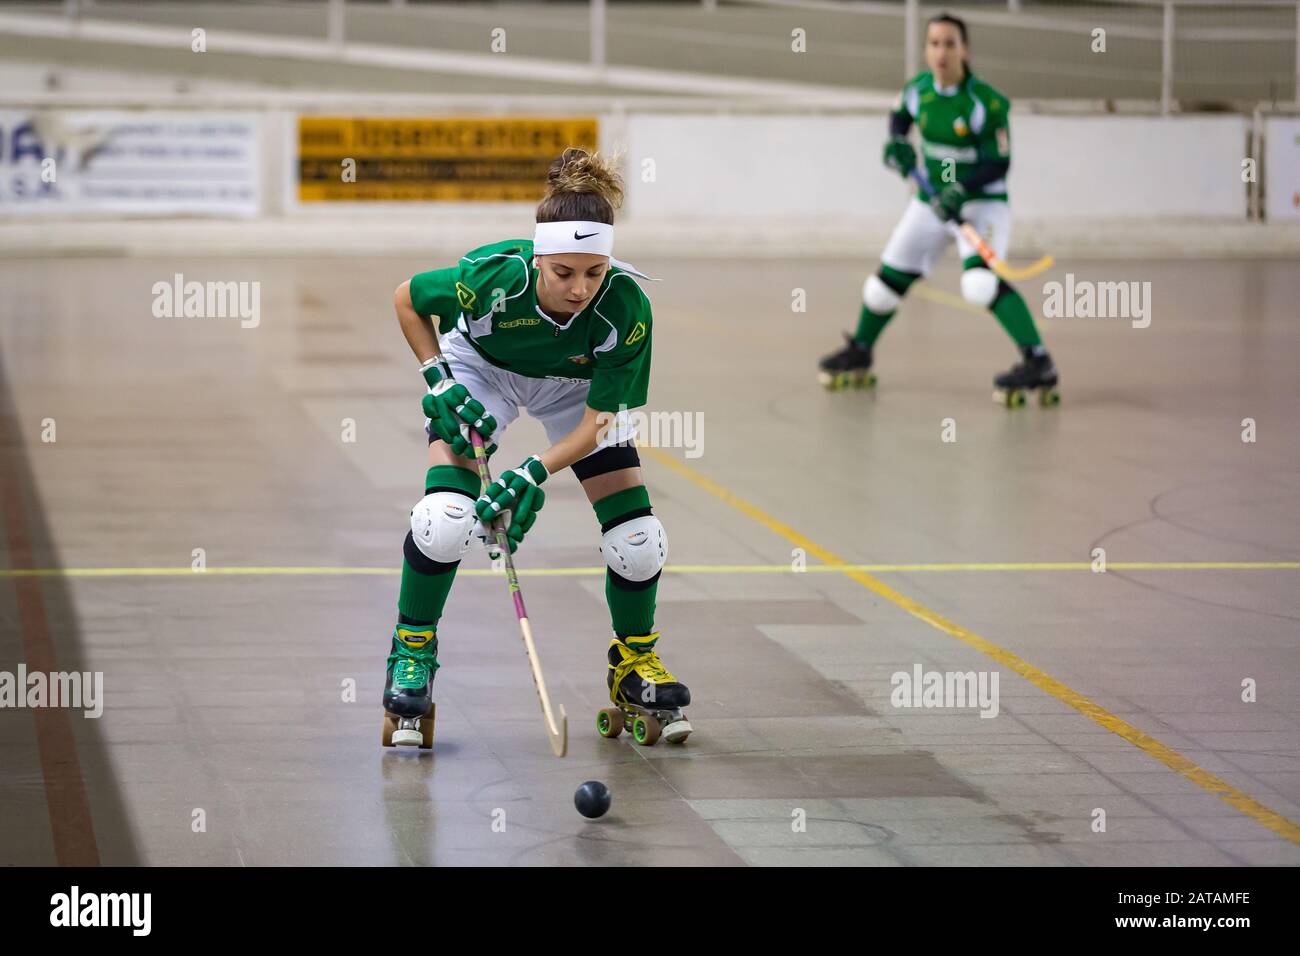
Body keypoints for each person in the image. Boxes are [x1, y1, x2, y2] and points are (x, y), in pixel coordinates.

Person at [382, 147, 690, 748]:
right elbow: (407, 300)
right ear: (539, 258)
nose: (580, 289)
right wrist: (438, 378)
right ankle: (411, 649)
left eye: (594, 273)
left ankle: (633, 662)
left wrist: (531, 472)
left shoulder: (626, 309)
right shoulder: (494, 275)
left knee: (639, 541)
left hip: (574, 391)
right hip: (484, 370)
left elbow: (600, 423)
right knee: (443, 521)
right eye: (563, 273)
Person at [819, 12, 1059, 405]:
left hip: (981, 205)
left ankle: (1040, 363)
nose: (941, 52)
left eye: (949, 43)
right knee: (880, 289)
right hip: (930, 203)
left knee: (980, 285)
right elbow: (898, 120)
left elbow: (998, 163)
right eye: (934, 44)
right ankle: (861, 349)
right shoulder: (917, 92)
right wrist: (896, 145)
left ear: (964, 50)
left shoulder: (986, 102)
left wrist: (960, 189)